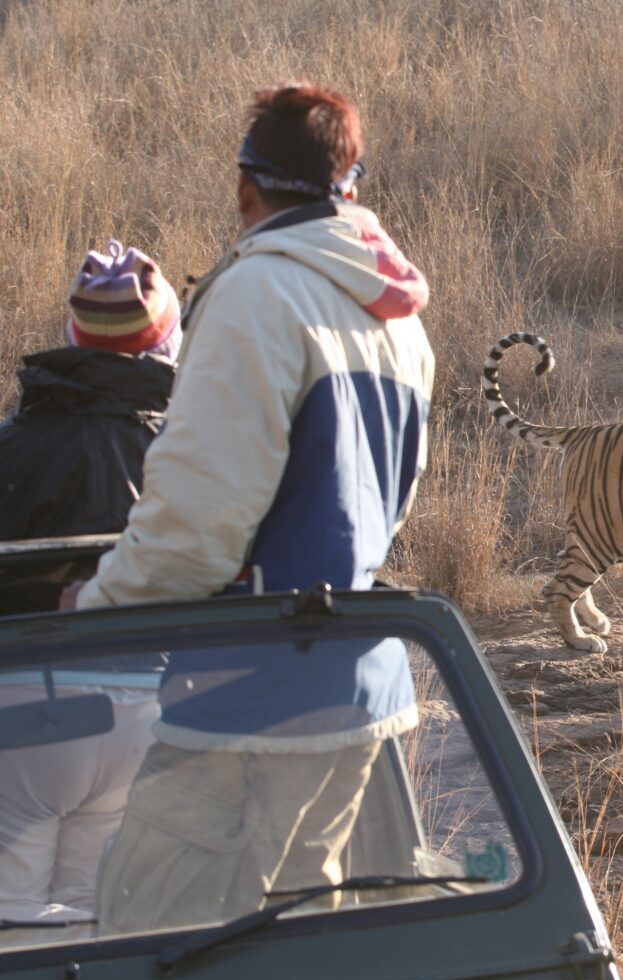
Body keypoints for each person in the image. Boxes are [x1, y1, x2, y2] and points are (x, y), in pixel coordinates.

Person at [73, 83, 434, 935]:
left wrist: (93, 610)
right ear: (351, 179)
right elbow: (392, 503)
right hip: (361, 693)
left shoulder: (254, 297)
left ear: (247, 184)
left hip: (246, 702)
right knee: (296, 955)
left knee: (138, 941)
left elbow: (197, 531)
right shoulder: (398, 320)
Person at [0, 242, 179, 937]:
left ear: (72, 337)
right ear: (165, 342)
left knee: (13, 937)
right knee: (95, 931)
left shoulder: (13, 443)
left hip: (23, 713)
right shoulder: (182, 451)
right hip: (146, 711)